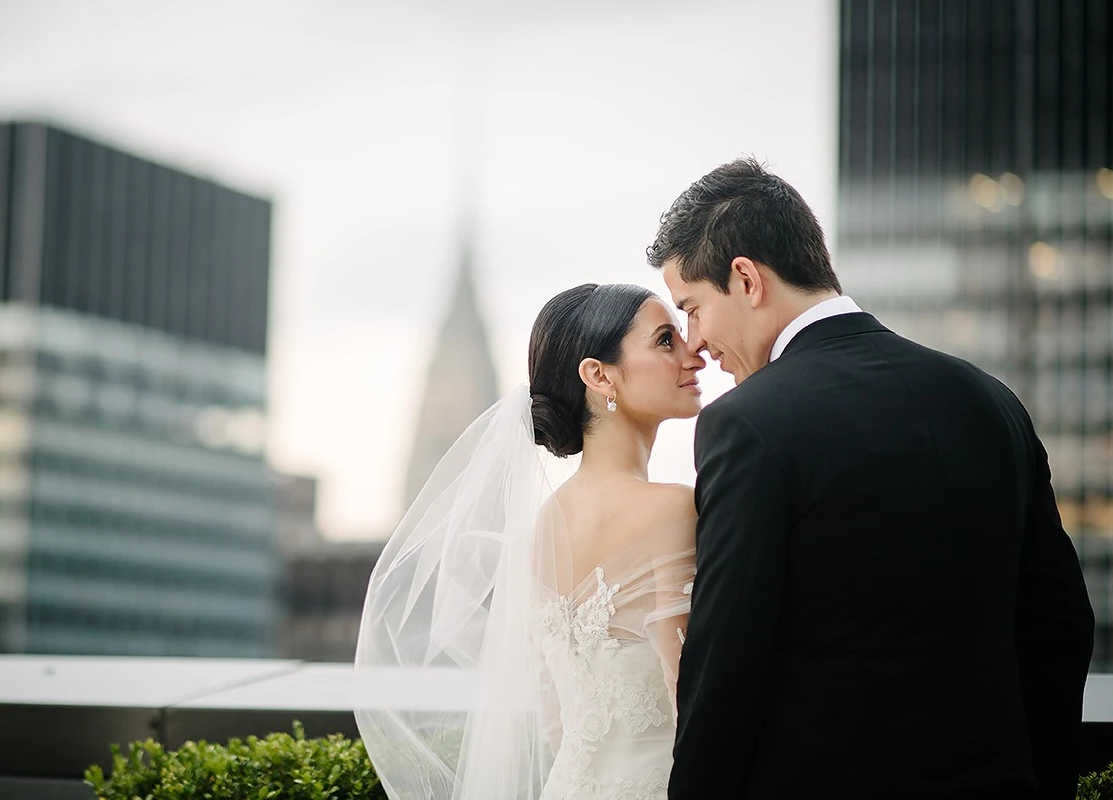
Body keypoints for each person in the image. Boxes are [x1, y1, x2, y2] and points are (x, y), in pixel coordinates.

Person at [649, 157, 1095, 800]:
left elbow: (726, 665)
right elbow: (1061, 623)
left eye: (693, 308)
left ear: (745, 279)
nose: (696, 342)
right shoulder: (991, 400)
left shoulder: (746, 424)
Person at [355, 282, 704, 800]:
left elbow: (556, 723)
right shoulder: (673, 508)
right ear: (597, 374)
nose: (693, 352)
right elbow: (694, 702)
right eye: (665, 341)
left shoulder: (540, 527)